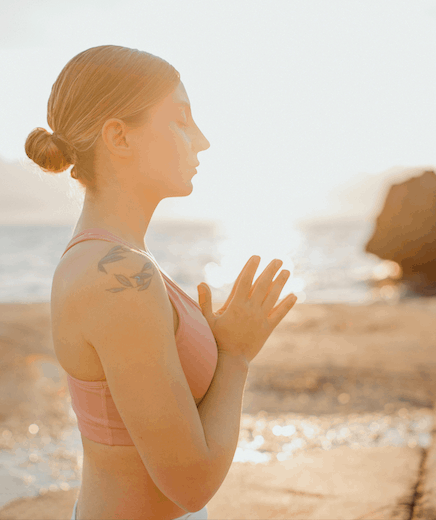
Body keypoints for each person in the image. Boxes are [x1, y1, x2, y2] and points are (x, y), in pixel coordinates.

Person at [25, 45, 297, 520]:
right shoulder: (116, 274)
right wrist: (234, 355)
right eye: (181, 120)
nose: (203, 140)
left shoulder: (122, 260)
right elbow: (190, 485)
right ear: (119, 136)